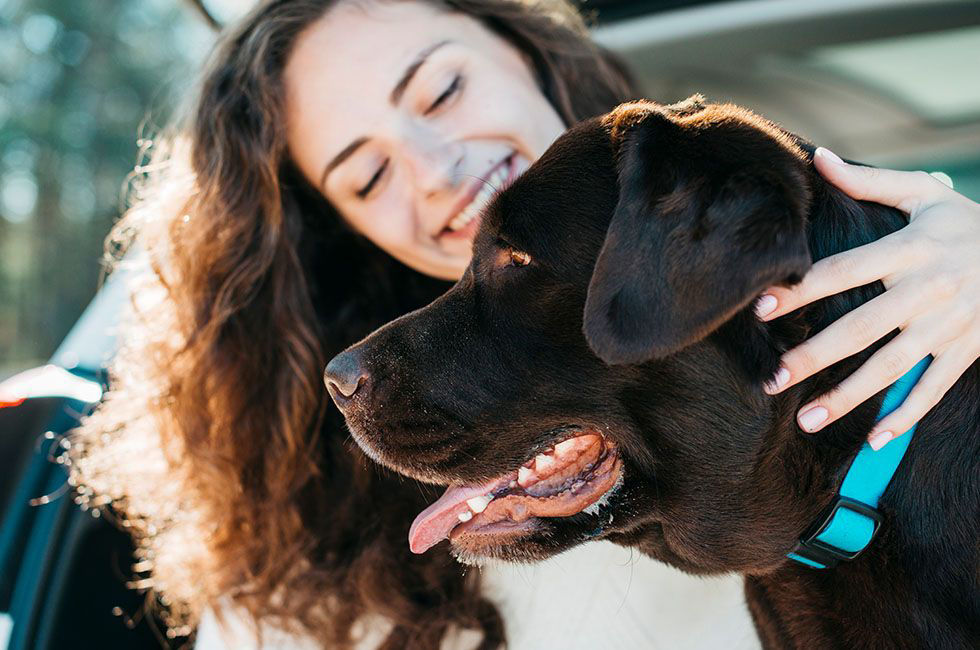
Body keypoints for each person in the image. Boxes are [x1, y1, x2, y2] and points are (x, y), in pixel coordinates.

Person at [71, 0, 980, 648]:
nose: (433, 167)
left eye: (439, 92)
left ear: (522, 43)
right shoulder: (295, 525)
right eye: (367, 176)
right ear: (338, 225)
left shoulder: (865, 256)